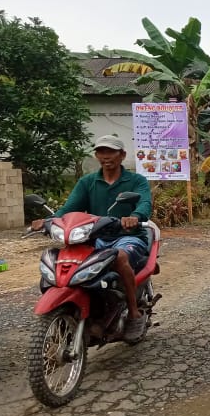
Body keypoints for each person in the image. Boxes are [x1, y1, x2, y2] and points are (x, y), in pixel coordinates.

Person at [31, 135, 152, 340]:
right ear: (96, 155)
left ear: (122, 155)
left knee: (119, 257)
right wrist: (49, 220)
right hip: (95, 236)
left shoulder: (136, 180)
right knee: (67, 261)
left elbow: (144, 203)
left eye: (111, 151)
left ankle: (133, 313)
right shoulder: (88, 181)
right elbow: (70, 207)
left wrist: (134, 217)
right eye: (101, 152)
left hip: (127, 236)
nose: (106, 156)